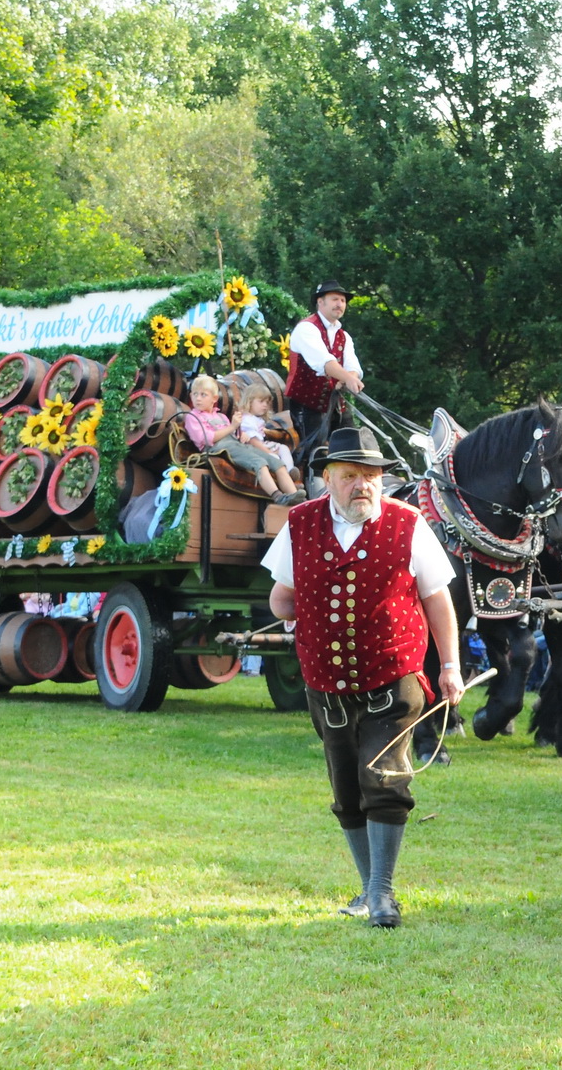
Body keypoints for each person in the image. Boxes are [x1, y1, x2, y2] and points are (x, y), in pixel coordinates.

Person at [262, 426, 464, 928]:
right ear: (327, 479)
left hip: (393, 674)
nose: (363, 486)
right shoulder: (299, 524)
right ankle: (368, 888)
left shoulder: (409, 524)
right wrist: (295, 609)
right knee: (346, 783)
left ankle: (382, 893)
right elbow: (279, 595)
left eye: (371, 476)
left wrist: (452, 666)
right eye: (350, 476)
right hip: (325, 680)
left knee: (385, 773)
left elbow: (438, 599)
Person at [182, 375, 301, 504]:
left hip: (236, 445)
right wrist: (232, 426)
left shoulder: (221, 416)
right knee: (259, 462)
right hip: (219, 448)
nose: (198, 398)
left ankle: (294, 496)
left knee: (276, 463)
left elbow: (234, 434)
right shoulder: (192, 417)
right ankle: (278, 496)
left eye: (203, 395)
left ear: (214, 398)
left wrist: (240, 433)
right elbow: (206, 438)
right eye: (195, 394)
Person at [285, 280, 364, 444]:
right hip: (307, 408)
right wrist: (349, 379)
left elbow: (352, 366)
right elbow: (324, 362)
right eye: (335, 299)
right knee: (316, 455)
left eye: (343, 301)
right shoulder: (306, 328)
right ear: (320, 302)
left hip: (337, 406)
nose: (340, 304)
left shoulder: (344, 336)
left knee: (355, 449)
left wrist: (350, 376)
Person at [236, 383, 295, 471]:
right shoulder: (246, 420)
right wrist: (269, 452)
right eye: (261, 401)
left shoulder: (255, 419)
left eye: (267, 402)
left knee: (283, 448)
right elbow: (253, 441)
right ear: (249, 401)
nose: (265, 405)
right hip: (252, 448)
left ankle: (290, 471)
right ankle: (284, 471)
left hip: (260, 444)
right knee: (276, 455)